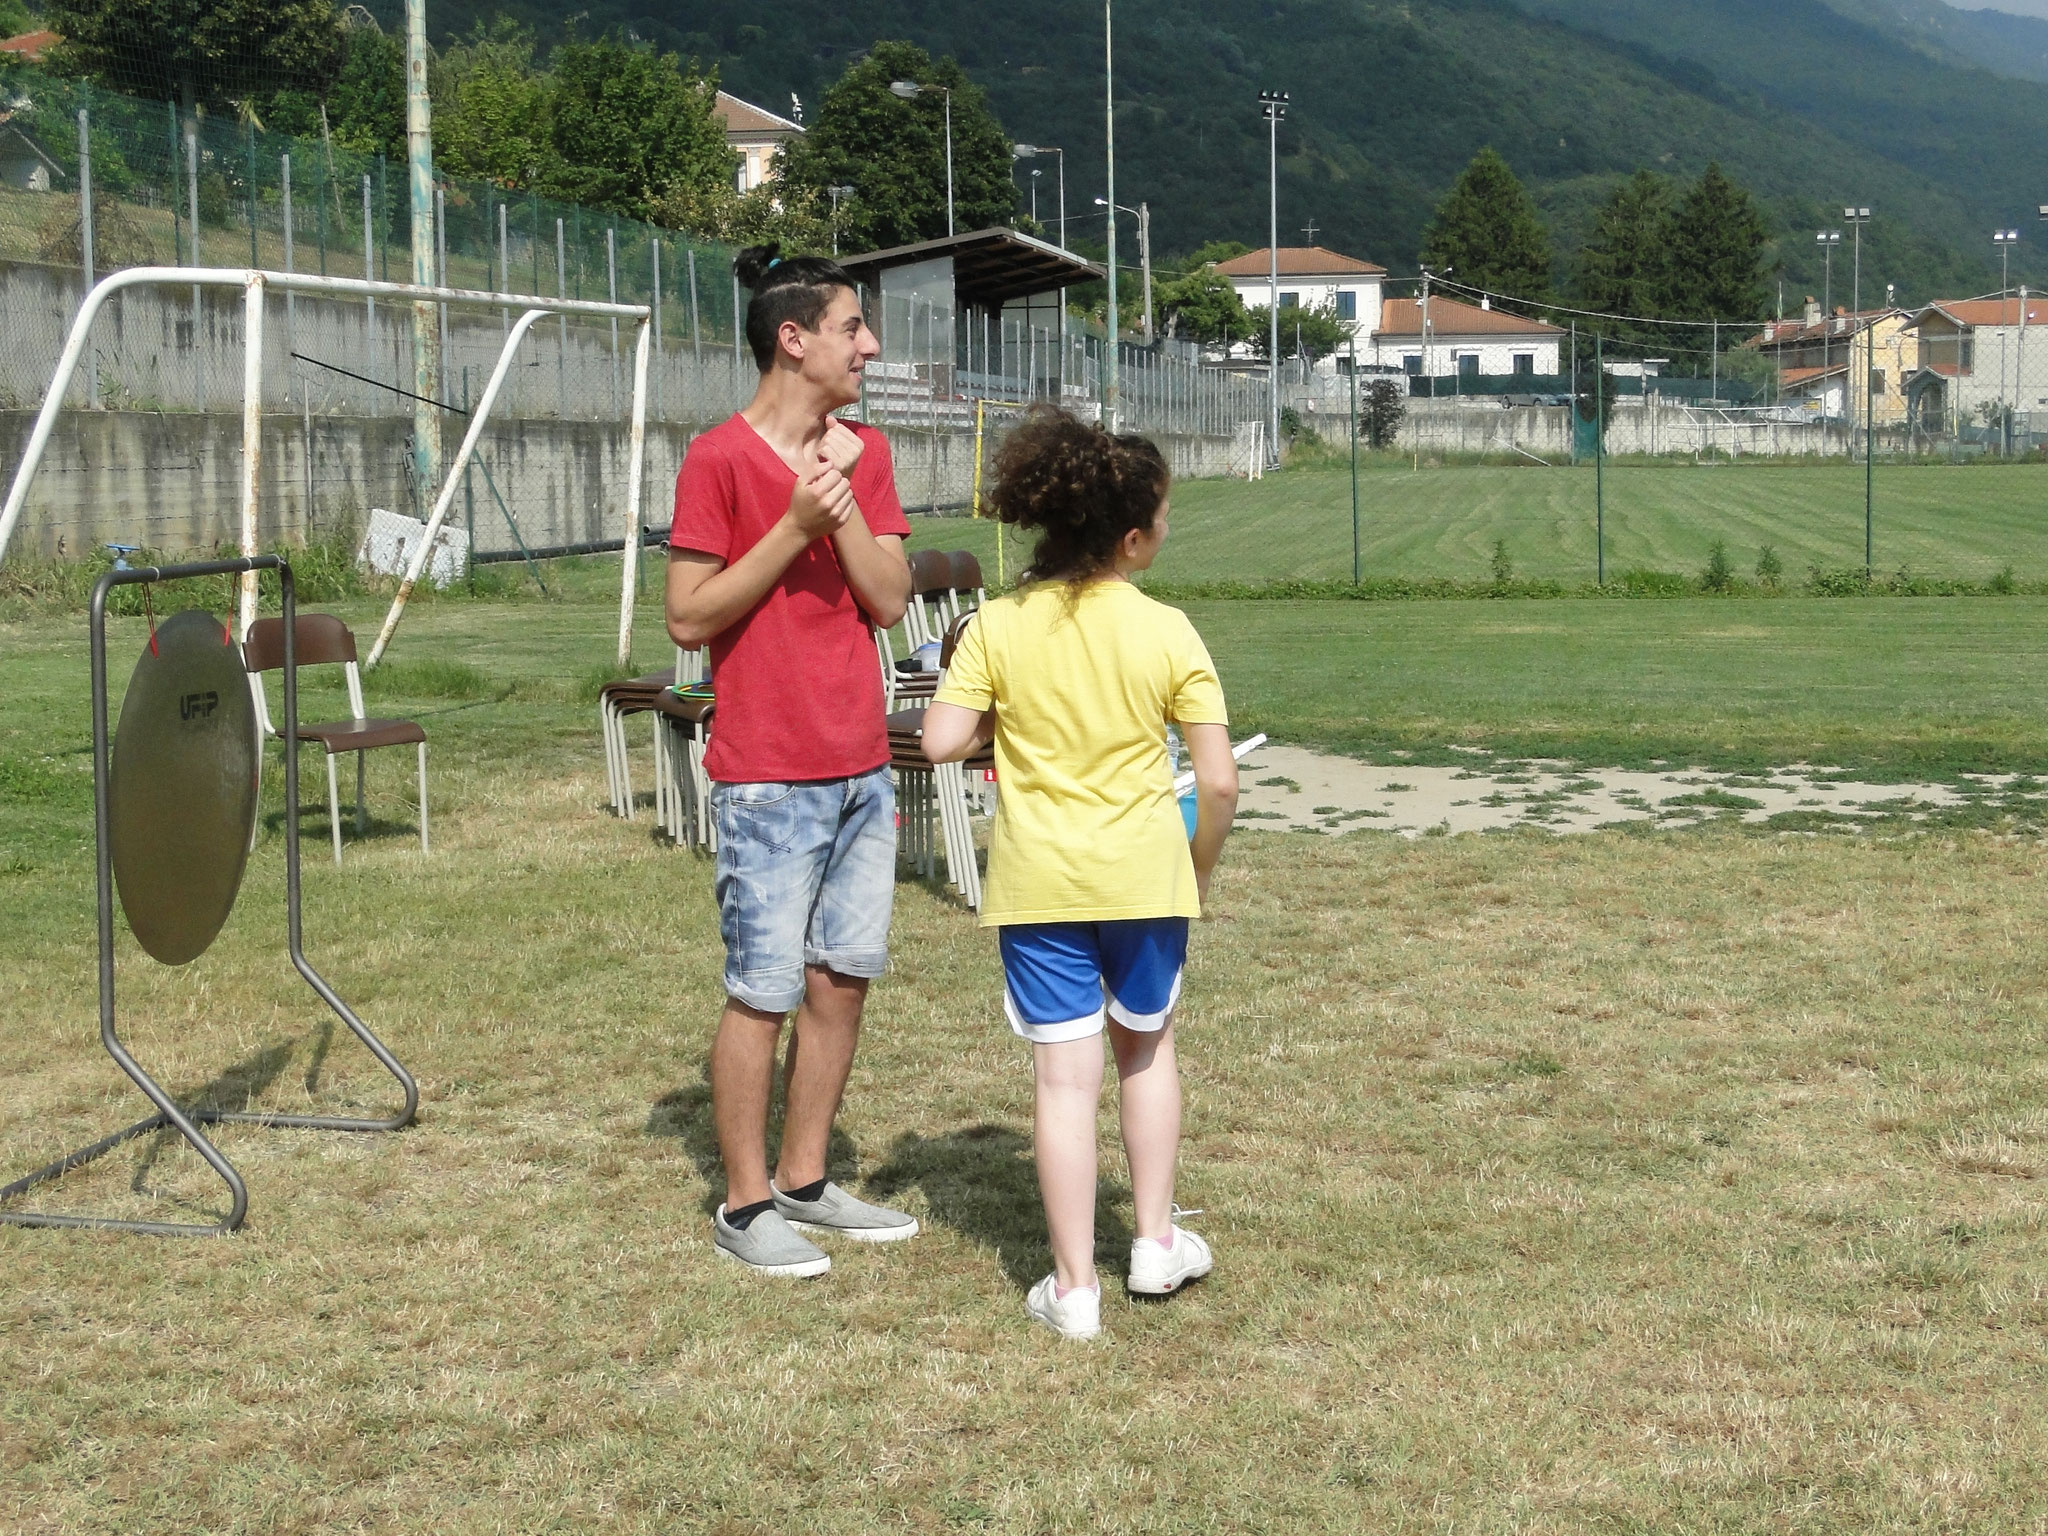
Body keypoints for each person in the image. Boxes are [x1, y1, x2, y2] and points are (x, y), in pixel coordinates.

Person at [921, 408, 1239, 1339]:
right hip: (1146, 878)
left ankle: (1073, 1291)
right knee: (1146, 1050)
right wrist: (1197, 873)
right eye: (1164, 518)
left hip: (1039, 884)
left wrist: (1007, 715)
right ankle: (1154, 1245)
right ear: (1132, 540)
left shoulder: (994, 625)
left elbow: (939, 740)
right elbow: (1219, 781)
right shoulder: (1169, 631)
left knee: (1063, 1081)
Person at [667, 243, 918, 1277]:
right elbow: (689, 618)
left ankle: (805, 1183)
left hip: (860, 765)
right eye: (852, 327)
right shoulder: (716, 460)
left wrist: (841, 500)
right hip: (767, 776)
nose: (870, 345)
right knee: (762, 992)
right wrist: (793, 524)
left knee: (841, 982)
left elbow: (889, 602)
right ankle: (743, 1205)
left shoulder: (867, 453)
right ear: (793, 339)